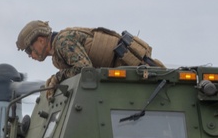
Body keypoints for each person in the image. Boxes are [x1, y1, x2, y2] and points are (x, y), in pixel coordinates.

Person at [16, 20, 163, 93]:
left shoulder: (63, 42)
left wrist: (59, 77)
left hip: (138, 68)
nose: (30, 55)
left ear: (41, 40)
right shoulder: (57, 55)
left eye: (30, 50)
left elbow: (85, 69)